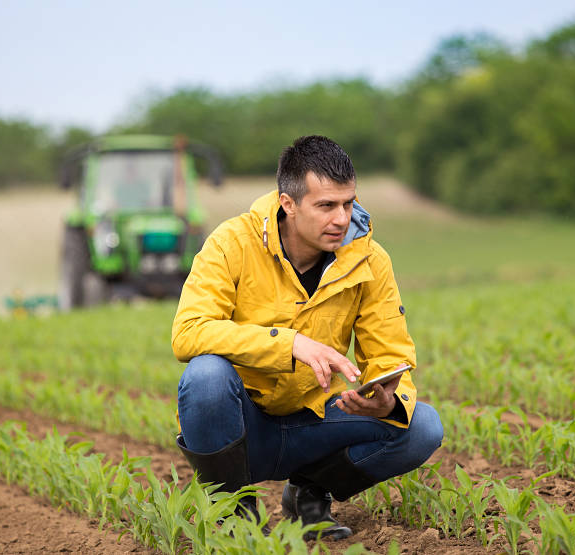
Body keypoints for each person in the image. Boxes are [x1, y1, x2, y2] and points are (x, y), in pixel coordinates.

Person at [171, 135, 444, 540]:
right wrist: (290, 343)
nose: (341, 219)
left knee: (421, 425)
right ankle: (234, 514)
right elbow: (189, 331)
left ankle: (308, 496)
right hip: (244, 427)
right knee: (206, 376)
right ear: (288, 204)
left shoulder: (369, 259)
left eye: (348, 203)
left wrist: (388, 394)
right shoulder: (232, 243)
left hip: (316, 419)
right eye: (326, 206)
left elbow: (389, 351)